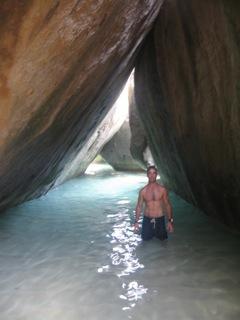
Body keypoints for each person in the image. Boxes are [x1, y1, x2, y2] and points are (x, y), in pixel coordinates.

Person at [134, 165, 174, 240]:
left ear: (156, 174)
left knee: (163, 242)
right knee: (144, 241)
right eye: (150, 173)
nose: (152, 175)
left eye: (154, 173)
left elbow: (168, 205)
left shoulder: (162, 190)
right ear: (147, 175)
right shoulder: (143, 191)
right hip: (147, 220)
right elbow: (139, 207)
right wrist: (136, 222)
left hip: (160, 219)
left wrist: (170, 221)